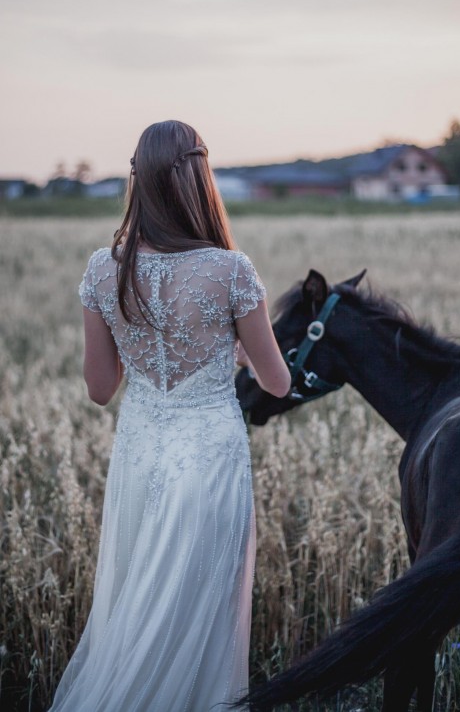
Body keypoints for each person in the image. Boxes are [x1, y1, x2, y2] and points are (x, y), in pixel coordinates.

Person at [48, 120, 290, 712]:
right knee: (198, 606)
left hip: (139, 452)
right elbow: (277, 383)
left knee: (138, 596)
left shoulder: (103, 270)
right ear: (198, 177)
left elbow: (101, 389)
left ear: (139, 180)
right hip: (209, 453)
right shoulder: (230, 270)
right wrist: (233, 348)